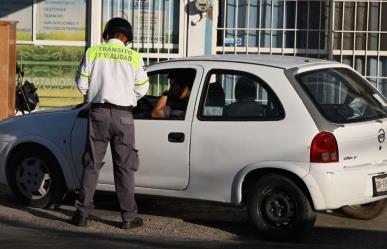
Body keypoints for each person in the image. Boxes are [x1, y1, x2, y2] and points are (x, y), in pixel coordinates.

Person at [72, 17, 149, 229]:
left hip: (98, 113)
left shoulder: (93, 52)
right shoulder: (134, 57)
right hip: (124, 116)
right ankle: (128, 218)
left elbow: (81, 83)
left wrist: (97, 93)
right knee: (124, 168)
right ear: (127, 38)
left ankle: (82, 214)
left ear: (107, 34)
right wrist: (125, 95)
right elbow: (143, 89)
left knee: (91, 164)